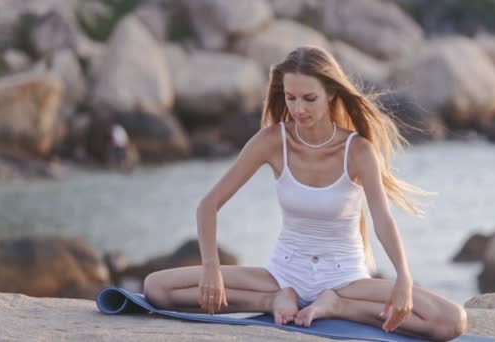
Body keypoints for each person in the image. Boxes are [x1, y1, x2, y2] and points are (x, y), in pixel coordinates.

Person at [143, 46, 467, 341]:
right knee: (157, 289)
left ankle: (338, 307)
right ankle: (272, 302)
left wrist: (403, 279)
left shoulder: (358, 151)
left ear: (330, 95)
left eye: (309, 98)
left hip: (346, 281)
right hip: (282, 275)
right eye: (291, 98)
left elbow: (383, 220)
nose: (298, 109)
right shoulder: (271, 141)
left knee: (450, 322)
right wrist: (211, 269)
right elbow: (208, 205)